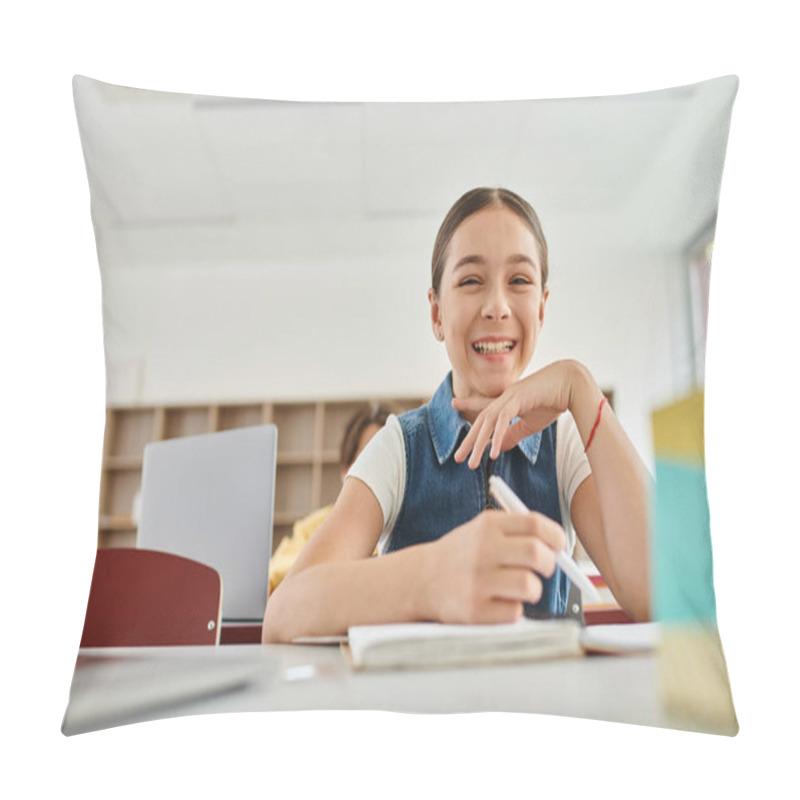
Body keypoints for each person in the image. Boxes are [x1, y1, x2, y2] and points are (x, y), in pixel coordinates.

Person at [262, 187, 650, 643]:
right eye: (470, 281)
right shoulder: (399, 446)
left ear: (542, 309)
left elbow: (662, 596)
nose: (497, 306)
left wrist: (581, 390)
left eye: (520, 281)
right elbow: (284, 616)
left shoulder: (564, 443)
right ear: (437, 313)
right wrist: (430, 576)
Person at [267, 402, 394, 593]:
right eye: (367, 460)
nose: (376, 471)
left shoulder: (416, 524)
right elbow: (273, 579)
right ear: (346, 473)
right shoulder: (312, 527)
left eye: (386, 460)